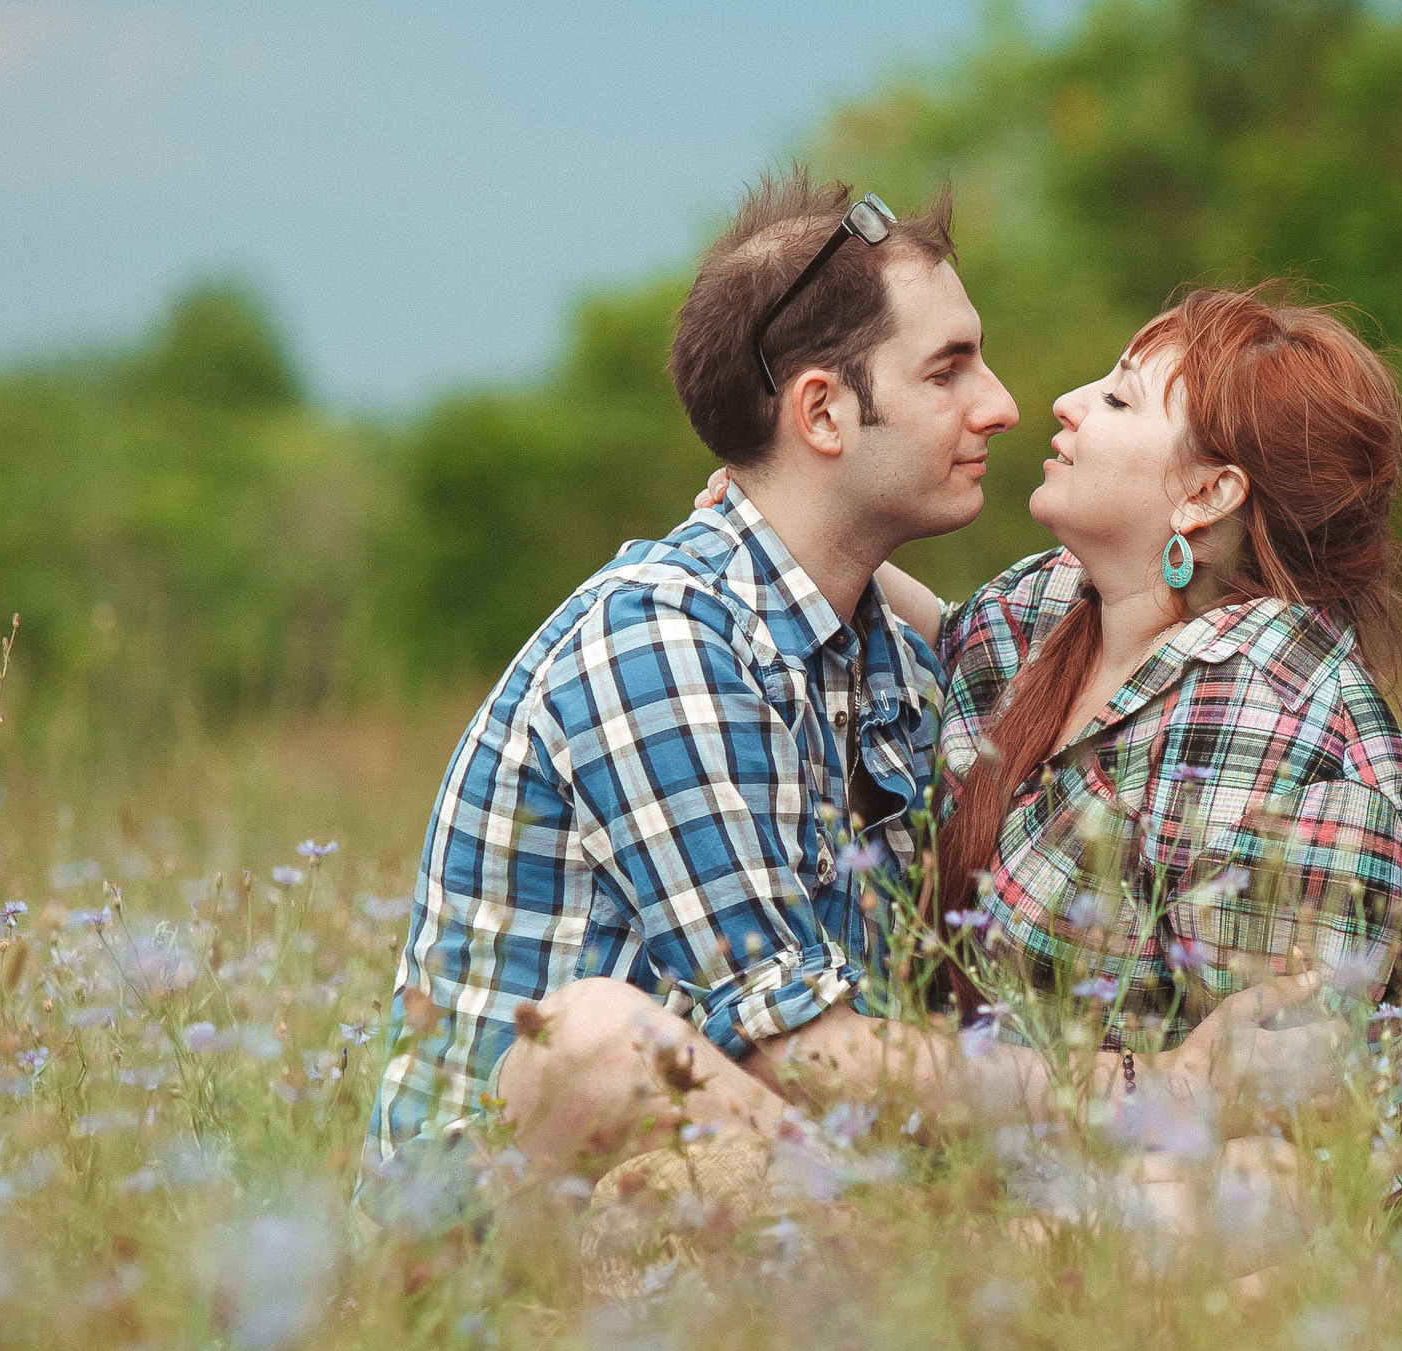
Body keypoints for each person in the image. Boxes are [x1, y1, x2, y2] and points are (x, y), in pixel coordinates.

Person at [364, 175, 1337, 1215]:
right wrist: (1159, 1092)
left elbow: (1112, 623)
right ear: (822, 413)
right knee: (593, 1039)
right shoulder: (661, 643)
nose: (1002, 405)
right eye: (947, 371)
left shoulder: (889, 656)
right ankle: (957, 1274)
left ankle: (986, 1274)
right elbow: (801, 1054)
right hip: (513, 1239)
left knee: (1259, 1191)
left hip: (773, 1195)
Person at [874, 285, 1402, 1078]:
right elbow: (954, 642)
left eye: (1119, 399)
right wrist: (790, 526)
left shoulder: (1273, 723)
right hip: (1021, 1139)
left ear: (1208, 492)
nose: (1064, 404)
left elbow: (1279, 1115)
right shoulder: (1065, 598)